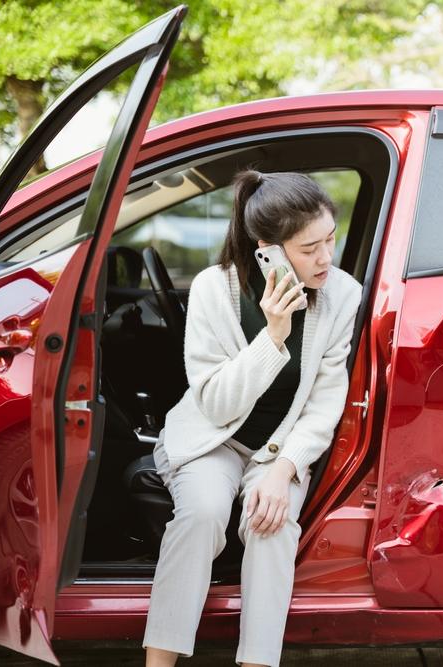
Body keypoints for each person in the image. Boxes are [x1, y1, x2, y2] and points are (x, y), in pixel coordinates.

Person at [142, 169, 362, 667]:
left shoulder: (342, 295)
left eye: (330, 239)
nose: (326, 257)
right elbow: (216, 404)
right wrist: (273, 335)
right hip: (211, 440)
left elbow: (324, 403)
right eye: (309, 249)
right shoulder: (212, 289)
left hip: (278, 448)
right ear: (270, 251)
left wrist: (284, 471)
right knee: (201, 515)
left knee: (272, 526)